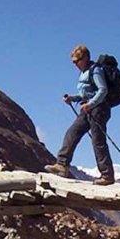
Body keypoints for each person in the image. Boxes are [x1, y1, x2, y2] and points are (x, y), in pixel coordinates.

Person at [44, 44, 115, 185]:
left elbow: (102, 90)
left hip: (98, 109)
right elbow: (86, 93)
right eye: (73, 62)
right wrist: (73, 98)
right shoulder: (84, 72)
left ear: (86, 57)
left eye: (77, 60)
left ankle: (107, 175)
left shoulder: (95, 71)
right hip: (88, 108)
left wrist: (90, 104)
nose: (75, 64)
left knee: (98, 141)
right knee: (72, 132)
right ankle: (62, 165)